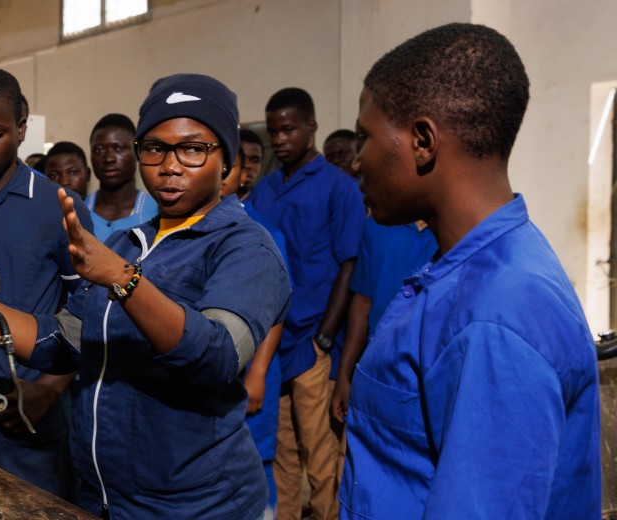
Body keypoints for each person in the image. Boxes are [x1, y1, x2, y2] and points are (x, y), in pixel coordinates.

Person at [0, 73, 289, 518]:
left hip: (197, 507)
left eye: (194, 148)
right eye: (155, 148)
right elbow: (59, 345)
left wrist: (123, 279)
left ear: (226, 160)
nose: (171, 165)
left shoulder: (244, 247)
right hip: (105, 499)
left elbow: (217, 356)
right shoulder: (126, 243)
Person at [342, 23, 600, 518]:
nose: (357, 161)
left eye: (364, 137)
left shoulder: (497, 317)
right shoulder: (465, 268)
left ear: (422, 141)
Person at [0, 67, 91, 501]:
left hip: (27, 414)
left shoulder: (57, 208)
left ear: (22, 130)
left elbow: (90, 319)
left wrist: (49, 388)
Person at [249, 86, 363, 520]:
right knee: (282, 453)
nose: (279, 139)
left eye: (288, 129)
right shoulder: (266, 190)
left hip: (313, 340)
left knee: (320, 451)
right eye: (274, 131)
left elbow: (350, 266)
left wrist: (325, 337)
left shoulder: (340, 188)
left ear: (311, 127)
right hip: (273, 344)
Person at [222, 154, 288, 520]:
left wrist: (258, 373)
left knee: (255, 456)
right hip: (211, 376)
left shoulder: (263, 231)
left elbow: (277, 307)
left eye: (228, 167)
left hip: (250, 369)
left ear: (243, 174)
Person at [328, 215, 436, 424]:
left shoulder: (456, 227)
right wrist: (344, 375)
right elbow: (362, 301)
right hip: (378, 369)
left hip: (429, 372)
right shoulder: (378, 224)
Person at [86, 113, 159, 242]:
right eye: (99, 150)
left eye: (119, 148)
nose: (109, 158)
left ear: (137, 152)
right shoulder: (78, 211)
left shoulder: (157, 212)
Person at [236, 128, 265, 200]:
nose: (248, 165)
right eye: (243, 158)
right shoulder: (212, 201)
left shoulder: (264, 202)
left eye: (255, 161)